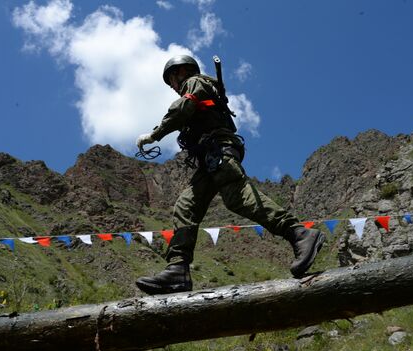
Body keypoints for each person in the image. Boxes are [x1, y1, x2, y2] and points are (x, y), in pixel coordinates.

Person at [135, 55, 325, 295]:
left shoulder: (195, 83)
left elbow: (183, 107)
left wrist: (155, 134)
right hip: (209, 158)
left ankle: (300, 234)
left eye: (171, 79)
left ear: (180, 72)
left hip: (219, 150)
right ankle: (178, 269)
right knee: (185, 206)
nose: (172, 86)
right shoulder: (200, 85)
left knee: (238, 197)